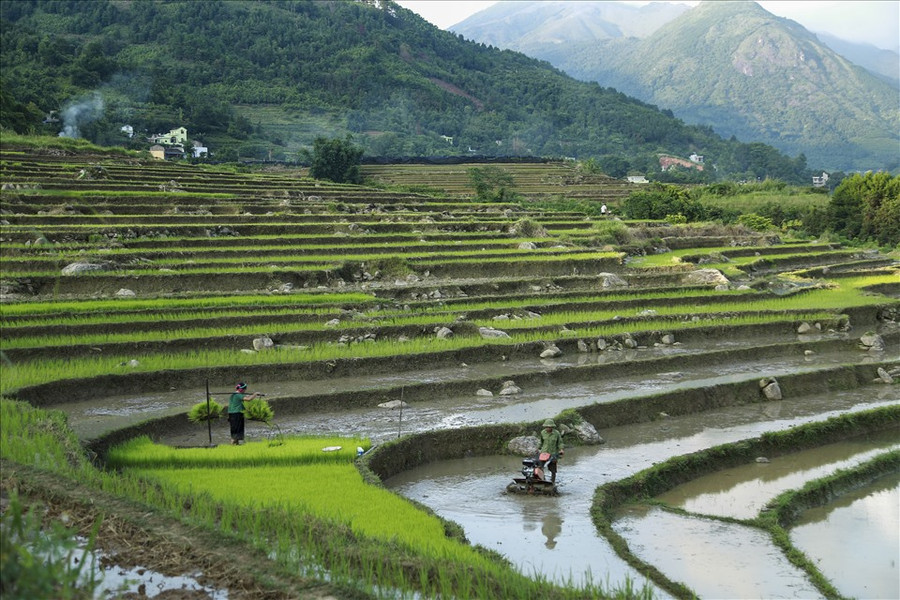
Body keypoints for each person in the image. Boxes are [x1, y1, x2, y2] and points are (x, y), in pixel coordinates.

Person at [538, 419, 564, 483]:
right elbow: (541, 442)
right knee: (540, 467)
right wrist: (538, 449)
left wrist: (561, 449)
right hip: (544, 453)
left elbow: (560, 442)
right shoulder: (542, 432)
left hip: (553, 453)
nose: (548, 428)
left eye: (549, 427)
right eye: (547, 427)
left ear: (552, 427)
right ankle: (542, 480)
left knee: (553, 470)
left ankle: (552, 482)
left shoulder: (556, 433)